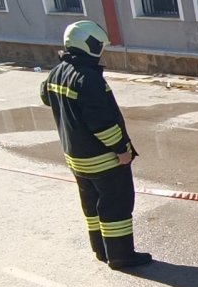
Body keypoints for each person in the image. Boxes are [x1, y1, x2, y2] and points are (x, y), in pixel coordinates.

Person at [40, 20, 151, 269]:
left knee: (91, 205)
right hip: (103, 159)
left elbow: (46, 97)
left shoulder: (57, 72)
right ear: (88, 45)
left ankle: (101, 249)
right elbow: (102, 124)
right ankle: (122, 256)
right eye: (99, 45)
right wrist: (121, 149)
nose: (101, 49)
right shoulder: (88, 78)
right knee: (116, 206)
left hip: (76, 158)